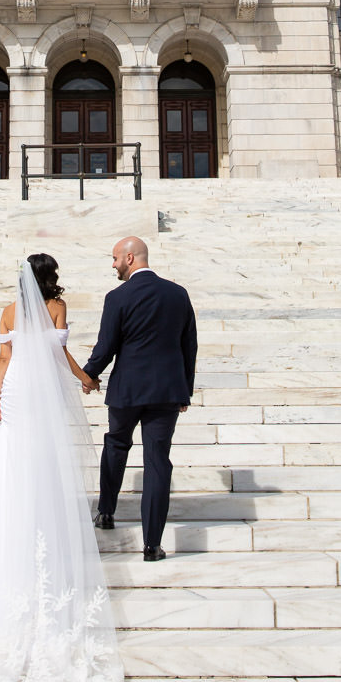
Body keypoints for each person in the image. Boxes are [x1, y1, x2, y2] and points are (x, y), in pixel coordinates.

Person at [0, 252, 124, 682]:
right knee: (46, 457)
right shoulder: (56, 307)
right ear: (50, 277)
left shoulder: (9, 311)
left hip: (16, 388)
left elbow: (4, 357)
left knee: (17, 457)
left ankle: (21, 520)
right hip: (41, 390)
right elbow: (58, 353)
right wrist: (86, 378)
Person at [83, 236, 197, 562]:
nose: (114, 265)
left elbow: (107, 346)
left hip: (128, 389)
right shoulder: (177, 294)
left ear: (130, 258)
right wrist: (185, 390)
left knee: (116, 445)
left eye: (115, 258)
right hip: (166, 390)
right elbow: (189, 345)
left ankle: (106, 511)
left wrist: (90, 374)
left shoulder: (117, 297)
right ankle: (152, 545)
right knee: (157, 461)